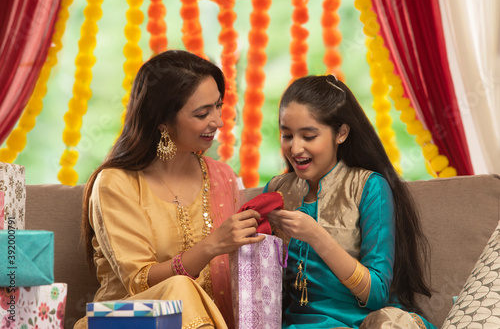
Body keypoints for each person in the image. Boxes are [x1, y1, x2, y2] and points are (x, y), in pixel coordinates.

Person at [74, 50, 265, 329]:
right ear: (163, 122)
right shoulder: (116, 183)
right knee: (179, 288)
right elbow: (139, 282)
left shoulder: (222, 177)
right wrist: (212, 246)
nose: (218, 121)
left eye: (218, 106)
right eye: (202, 113)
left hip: (209, 321)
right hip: (124, 321)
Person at [264, 74, 437, 329]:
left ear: (341, 133)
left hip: (367, 323)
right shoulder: (277, 191)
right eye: (287, 135)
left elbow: (376, 294)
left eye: (309, 136)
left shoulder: (368, 187)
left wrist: (316, 236)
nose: (295, 148)